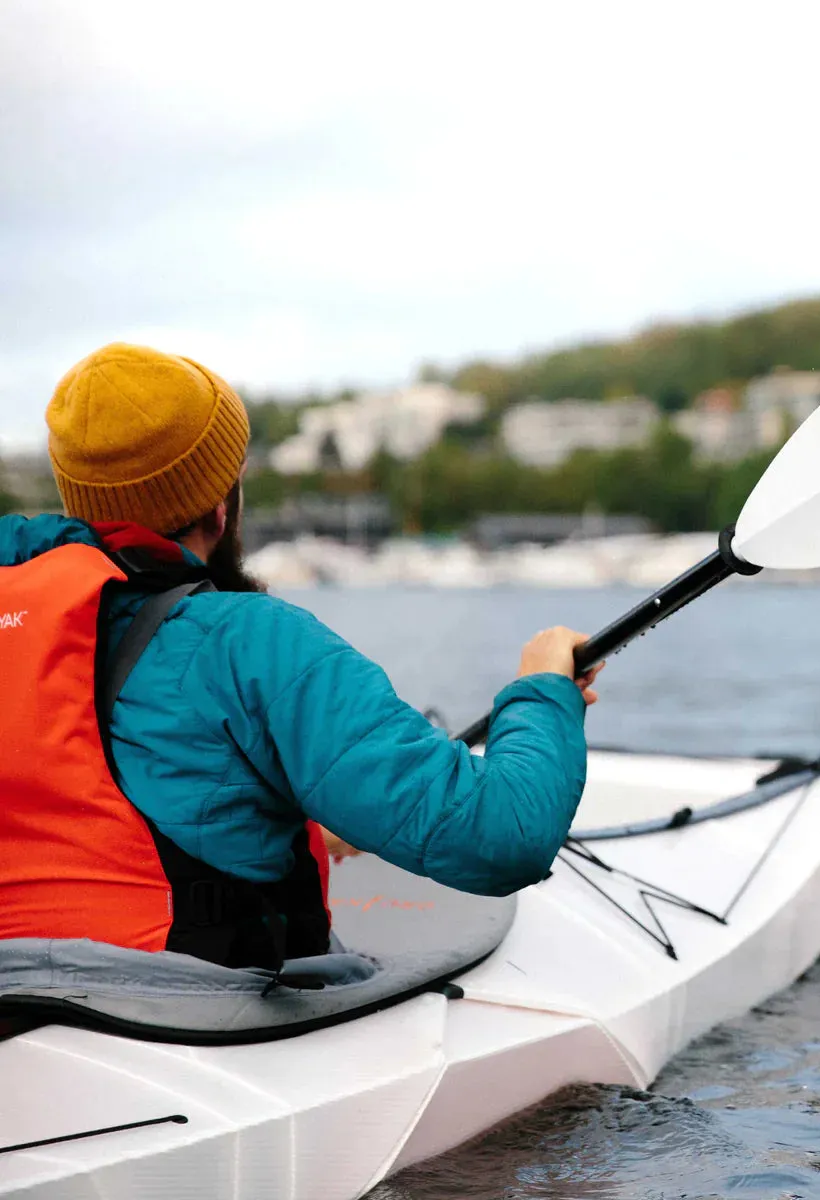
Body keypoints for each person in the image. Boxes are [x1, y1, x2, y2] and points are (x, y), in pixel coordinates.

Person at [0, 343, 602, 970]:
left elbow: (100, 821)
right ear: (221, 499)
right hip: (194, 1028)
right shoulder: (248, 643)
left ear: (79, 498)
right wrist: (543, 689)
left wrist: (305, 816)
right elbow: (500, 837)